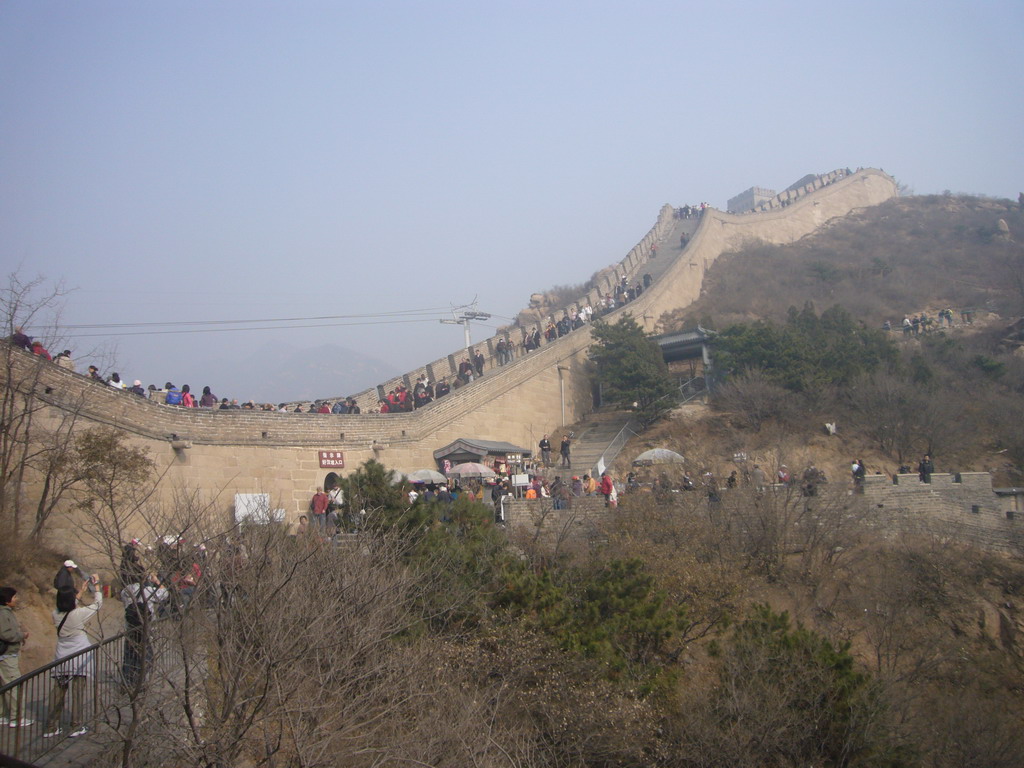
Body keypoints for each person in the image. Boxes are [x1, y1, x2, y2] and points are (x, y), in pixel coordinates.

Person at [44, 576, 103, 738]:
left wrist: (81, 592)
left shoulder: (55, 614)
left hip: (62, 657)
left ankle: (50, 726)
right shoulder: (78, 614)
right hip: (79, 658)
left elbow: (68, 606)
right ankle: (75, 725)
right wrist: (96, 586)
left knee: (58, 692)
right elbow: (98, 604)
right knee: (77, 693)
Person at [120, 573, 168, 689]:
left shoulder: (125, 591)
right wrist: (156, 581)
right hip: (145, 629)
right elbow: (165, 594)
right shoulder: (147, 591)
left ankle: (127, 683)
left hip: (131, 628)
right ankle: (138, 682)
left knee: (129, 657)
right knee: (147, 657)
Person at [0, 586, 33, 727]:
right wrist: (21, 635)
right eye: (14, 597)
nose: (16, 599)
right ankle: (16, 718)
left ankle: (3, 715)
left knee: (4, 686)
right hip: (7, 655)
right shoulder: (3, 614)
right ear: (7, 600)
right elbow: (6, 634)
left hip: (5, 654)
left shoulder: (6, 612)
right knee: (14, 686)